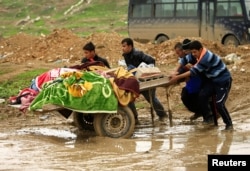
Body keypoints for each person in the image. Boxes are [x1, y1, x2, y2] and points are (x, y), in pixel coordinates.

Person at [169, 40, 233, 130]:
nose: (193, 54)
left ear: (200, 49)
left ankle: (229, 124)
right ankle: (209, 119)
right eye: (192, 52)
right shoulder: (197, 54)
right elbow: (185, 59)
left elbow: (193, 71)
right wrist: (175, 71)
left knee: (219, 104)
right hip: (213, 81)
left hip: (223, 81)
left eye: (195, 52)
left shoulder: (206, 58)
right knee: (202, 95)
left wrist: (177, 77)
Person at [121, 37, 168, 123]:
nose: (122, 48)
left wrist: (144, 71)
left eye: (124, 46)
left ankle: (162, 115)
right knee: (129, 99)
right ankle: (134, 118)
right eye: (122, 46)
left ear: (130, 46)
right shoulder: (126, 56)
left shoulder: (138, 53)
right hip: (135, 81)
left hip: (145, 80)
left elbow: (151, 60)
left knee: (151, 99)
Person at [172, 40, 203, 121]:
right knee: (186, 95)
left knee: (198, 95)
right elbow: (182, 64)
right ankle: (199, 111)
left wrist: (177, 76)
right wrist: (175, 73)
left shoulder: (199, 57)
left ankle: (206, 113)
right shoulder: (187, 57)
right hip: (192, 80)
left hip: (201, 80)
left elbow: (189, 69)